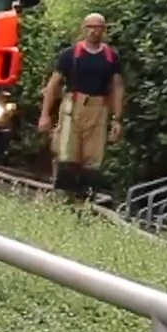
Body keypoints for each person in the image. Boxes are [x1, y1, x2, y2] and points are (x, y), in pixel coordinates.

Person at [38, 13, 125, 197]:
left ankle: (85, 198)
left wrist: (117, 119)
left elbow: (117, 87)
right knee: (68, 153)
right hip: (73, 107)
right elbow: (53, 85)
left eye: (98, 27)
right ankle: (64, 197)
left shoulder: (111, 57)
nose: (94, 31)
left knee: (93, 158)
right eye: (90, 26)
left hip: (98, 110)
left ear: (104, 30)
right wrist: (45, 114)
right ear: (83, 29)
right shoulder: (70, 55)